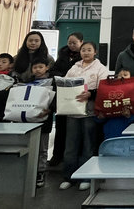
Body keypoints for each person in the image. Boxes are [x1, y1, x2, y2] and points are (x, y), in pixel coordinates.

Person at [59, 41, 109, 191]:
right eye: (83, 50)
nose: (86, 53)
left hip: (89, 112)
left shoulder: (100, 68)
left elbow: (104, 89)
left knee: (88, 146)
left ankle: (86, 177)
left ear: (95, 52)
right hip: (72, 111)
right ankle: (69, 177)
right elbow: (65, 83)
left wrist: (91, 94)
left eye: (89, 50)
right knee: (70, 146)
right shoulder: (74, 67)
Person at [49, 31, 83, 167]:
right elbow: (53, 71)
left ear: (81, 42)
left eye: (74, 43)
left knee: (75, 129)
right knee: (60, 127)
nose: (72, 45)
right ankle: (57, 155)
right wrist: (64, 77)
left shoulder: (83, 56)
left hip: (77, 94)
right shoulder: (62, 55)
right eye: (70, 43)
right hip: (62, 94)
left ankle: (74, 157)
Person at [28, 58, 55, 188]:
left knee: (42, 148)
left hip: (45, 119)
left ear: (46, 67)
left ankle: (41, 171)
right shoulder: (27, 82)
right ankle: (29, 171)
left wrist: (50, 110)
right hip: (28, 119)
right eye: (35, 68)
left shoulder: (52, 82)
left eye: (40, 67)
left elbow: (56, 99)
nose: (37, 70)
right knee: (29, 146)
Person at [96, 69, 134, 138]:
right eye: (119, 75)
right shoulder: (107, 92)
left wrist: (129, 116)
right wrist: (100, 117)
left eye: (125, 75)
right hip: (110, 133)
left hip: (128, 135)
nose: (122, 77)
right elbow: (98, 117)